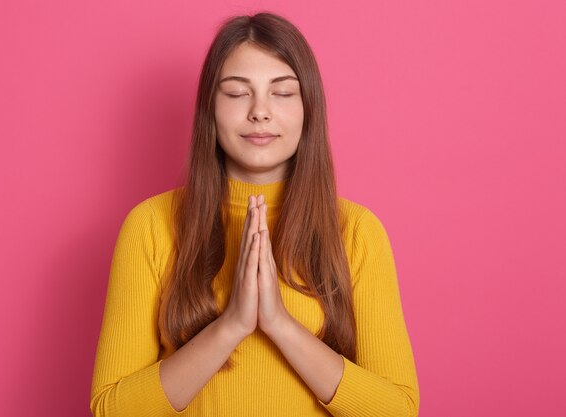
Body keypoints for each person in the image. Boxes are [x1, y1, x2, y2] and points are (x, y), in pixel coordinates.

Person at [90, 11, 419, 417]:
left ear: (308, 108)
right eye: (236, 92)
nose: (260, 112)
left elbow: (398, 410)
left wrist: (279, 323)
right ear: (209, 107)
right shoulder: (151, 227)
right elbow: (111, 409)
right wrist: (231, 326)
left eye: (281, 93)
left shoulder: (356, 232)